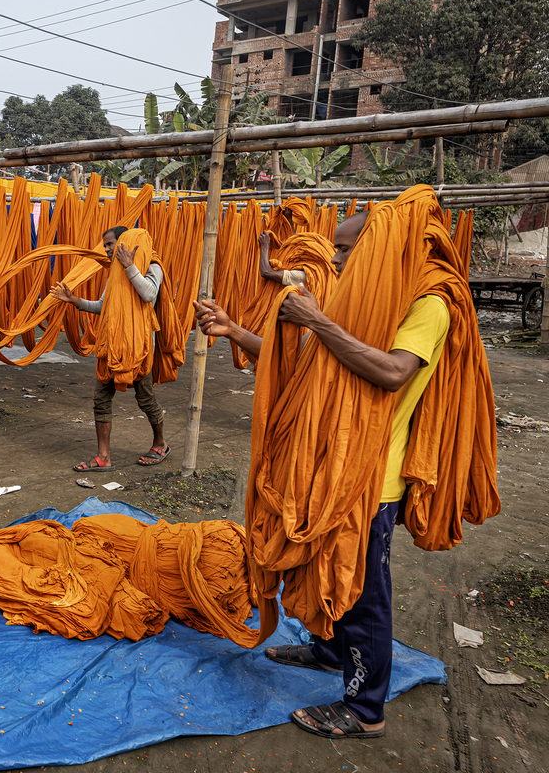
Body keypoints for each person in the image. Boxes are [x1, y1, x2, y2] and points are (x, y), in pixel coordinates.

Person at [194, 209, 449, 738]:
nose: (335, 259)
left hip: (368, 479)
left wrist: (318, 320)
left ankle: (365, 710)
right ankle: (331, 652)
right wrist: (235, 330)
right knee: (324, 573)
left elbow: (391, 371)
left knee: (362, 594)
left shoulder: (429, 304)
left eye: (347, 248)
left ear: (383, 249)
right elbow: (315, 364)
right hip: (327, 467)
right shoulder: (364, 297)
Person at [51, 225, 169, 472]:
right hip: (112, 343)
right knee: (101, 398)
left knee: (145, 398)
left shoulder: (152, 266)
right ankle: (103, 456)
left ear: (125, 243)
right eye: (104, 245)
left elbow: (148, 294)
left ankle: (161, 443)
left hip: (138, 347)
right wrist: (76, 302)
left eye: (109, 244)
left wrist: (130, 266)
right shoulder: (116, 272)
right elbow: (104, 305)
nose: (106, 249)